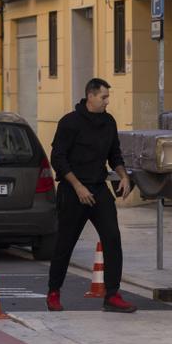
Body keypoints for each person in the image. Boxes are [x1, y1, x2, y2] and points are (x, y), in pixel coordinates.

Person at [46, 78, 137, 314]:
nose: (107, 101)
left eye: (107, 97)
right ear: (91, 96)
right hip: (73, 191)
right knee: (65, 243)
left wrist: (123, 175)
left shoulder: (108, 122)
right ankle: (54, 292)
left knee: (113, 239)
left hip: (97, 189)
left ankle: (112, 295)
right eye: (104, 97)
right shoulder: (70, 122)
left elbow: (114, 155)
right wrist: (77, 186)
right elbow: (58, 158)